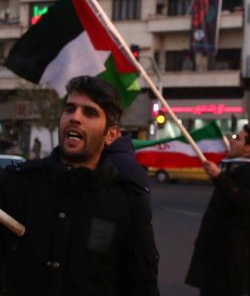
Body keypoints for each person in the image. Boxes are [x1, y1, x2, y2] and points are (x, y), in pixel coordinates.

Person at [0, 75, 159, 295]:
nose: (75, 117)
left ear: (111, 135)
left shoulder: (128, 200)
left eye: (90, 112)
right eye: (69, 109)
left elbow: (143, 285)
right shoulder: (17, 182)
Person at [186, 125, 250, 296]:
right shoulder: (231, 170)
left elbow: (243, 203)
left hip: (228, 262)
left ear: (248, 148)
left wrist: (219, 177)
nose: (231, 141)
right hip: (214, 258)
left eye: (238, 138)